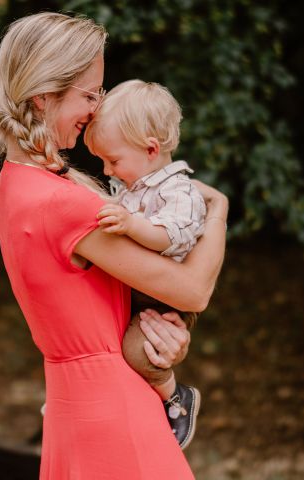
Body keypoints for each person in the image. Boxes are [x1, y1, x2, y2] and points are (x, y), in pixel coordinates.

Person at [0, 11, 228, 479]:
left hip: (72, 405)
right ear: (43, 97)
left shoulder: (15, 183)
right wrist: (218, 213)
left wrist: (155, 346)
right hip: (114, 414)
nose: (98, 108)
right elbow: (193, 291)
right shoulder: (63, 202)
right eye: (90, 94)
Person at [85, 79, 208, 449]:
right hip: (134, 286)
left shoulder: (178, 191)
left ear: (151, 149)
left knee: (141, 351)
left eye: (113, 160)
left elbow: (172, 236)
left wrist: (132, 225)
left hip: (161, 300)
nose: (107, 170)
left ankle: (176, 397)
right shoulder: (132, 186)